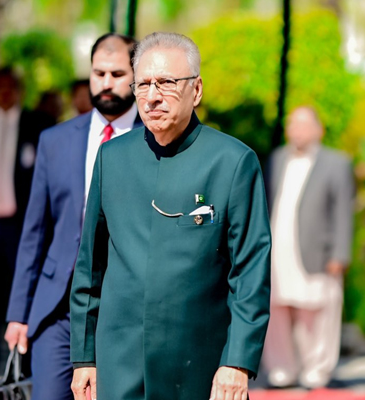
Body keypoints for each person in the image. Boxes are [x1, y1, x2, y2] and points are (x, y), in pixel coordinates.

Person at [69, 32, 271, 400]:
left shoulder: (232, 162)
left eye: (166, 82)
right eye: (143, 84)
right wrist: (84, 357)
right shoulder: (112, 158)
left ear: (196, 91)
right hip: (119, 362)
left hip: (199, 366)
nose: (152, 96)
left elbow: (250, 271)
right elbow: (90, 266)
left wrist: (237, 362)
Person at [3, 33, 139, 400]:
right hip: (55, 311)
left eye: (117, 73)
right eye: (98, 73)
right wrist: (19, 311)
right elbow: (35, 231)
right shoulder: (55, 140)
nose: (106, 83)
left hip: (122, 311)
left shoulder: (152, 140)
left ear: (137, 75)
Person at [0, 66, 55, 374]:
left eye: (10, 87)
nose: (5, 92)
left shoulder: (37, 124)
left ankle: (23, 362)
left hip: (22, 227)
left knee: (21, 292)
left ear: (19, 90)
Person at [262, 106, 355, 388]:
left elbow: (343, 211)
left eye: (303, 125)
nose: (296, 130)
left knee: (315, 313)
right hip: (278, 249)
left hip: (317, 250)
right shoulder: (277, 159)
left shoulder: (336, 162)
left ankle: (316, 370)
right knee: (276, 310)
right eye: (293, 124)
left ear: (318, 129)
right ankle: (282, 369)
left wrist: (340, 252)